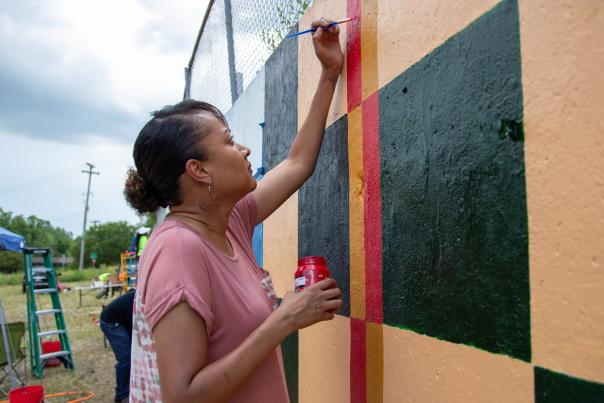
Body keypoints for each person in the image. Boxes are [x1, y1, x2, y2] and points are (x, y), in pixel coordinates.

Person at [123, 18, 343, 403]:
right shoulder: (178, 250)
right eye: (229, 142)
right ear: (199, 170)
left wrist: (329, 73)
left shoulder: (230, 221)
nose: (243, 150)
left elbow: (297, 164)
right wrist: (285, 319)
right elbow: (184, 395)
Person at [99, 289, 135, 403]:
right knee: (126, 358)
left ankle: (132, 388)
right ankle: (122, 396)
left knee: (133, 355)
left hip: (120, 321)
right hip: (111, 322)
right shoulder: (141, 298)